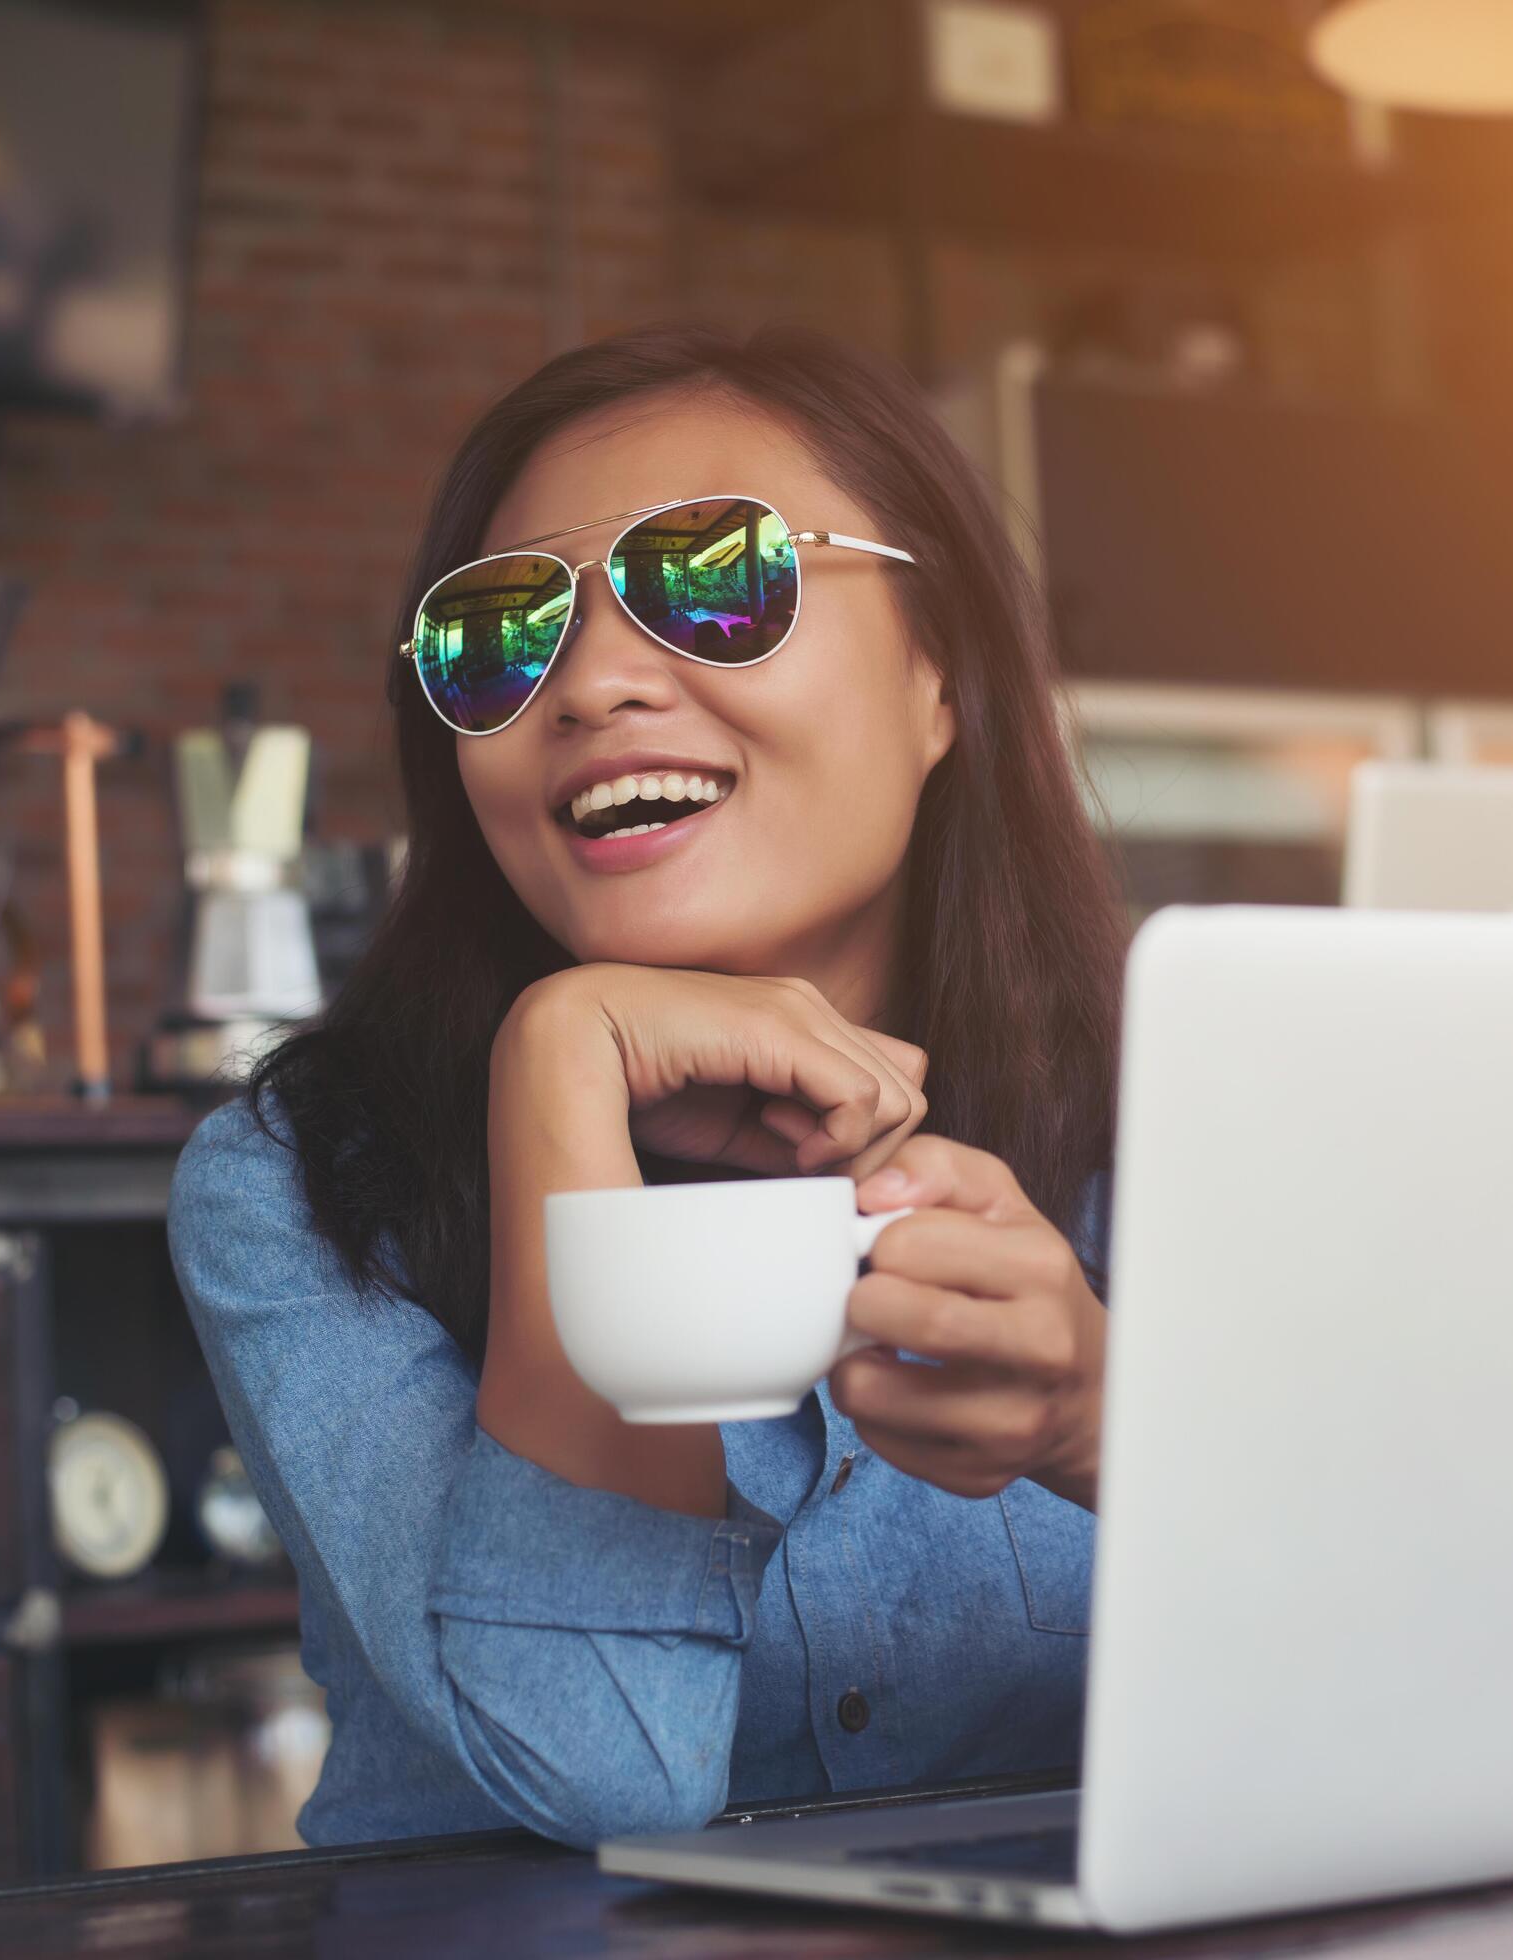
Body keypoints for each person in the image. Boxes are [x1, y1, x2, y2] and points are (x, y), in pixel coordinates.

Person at [168, 322, 1128, 1850]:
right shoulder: (297, 1182)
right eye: (501, 635)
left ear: (940, 676)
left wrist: (1111, 1430)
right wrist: (558, 1061)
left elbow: (1455, 1662)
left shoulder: (1173, 1144)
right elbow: (600, 1770)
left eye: (716, 581)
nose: (596, 680)